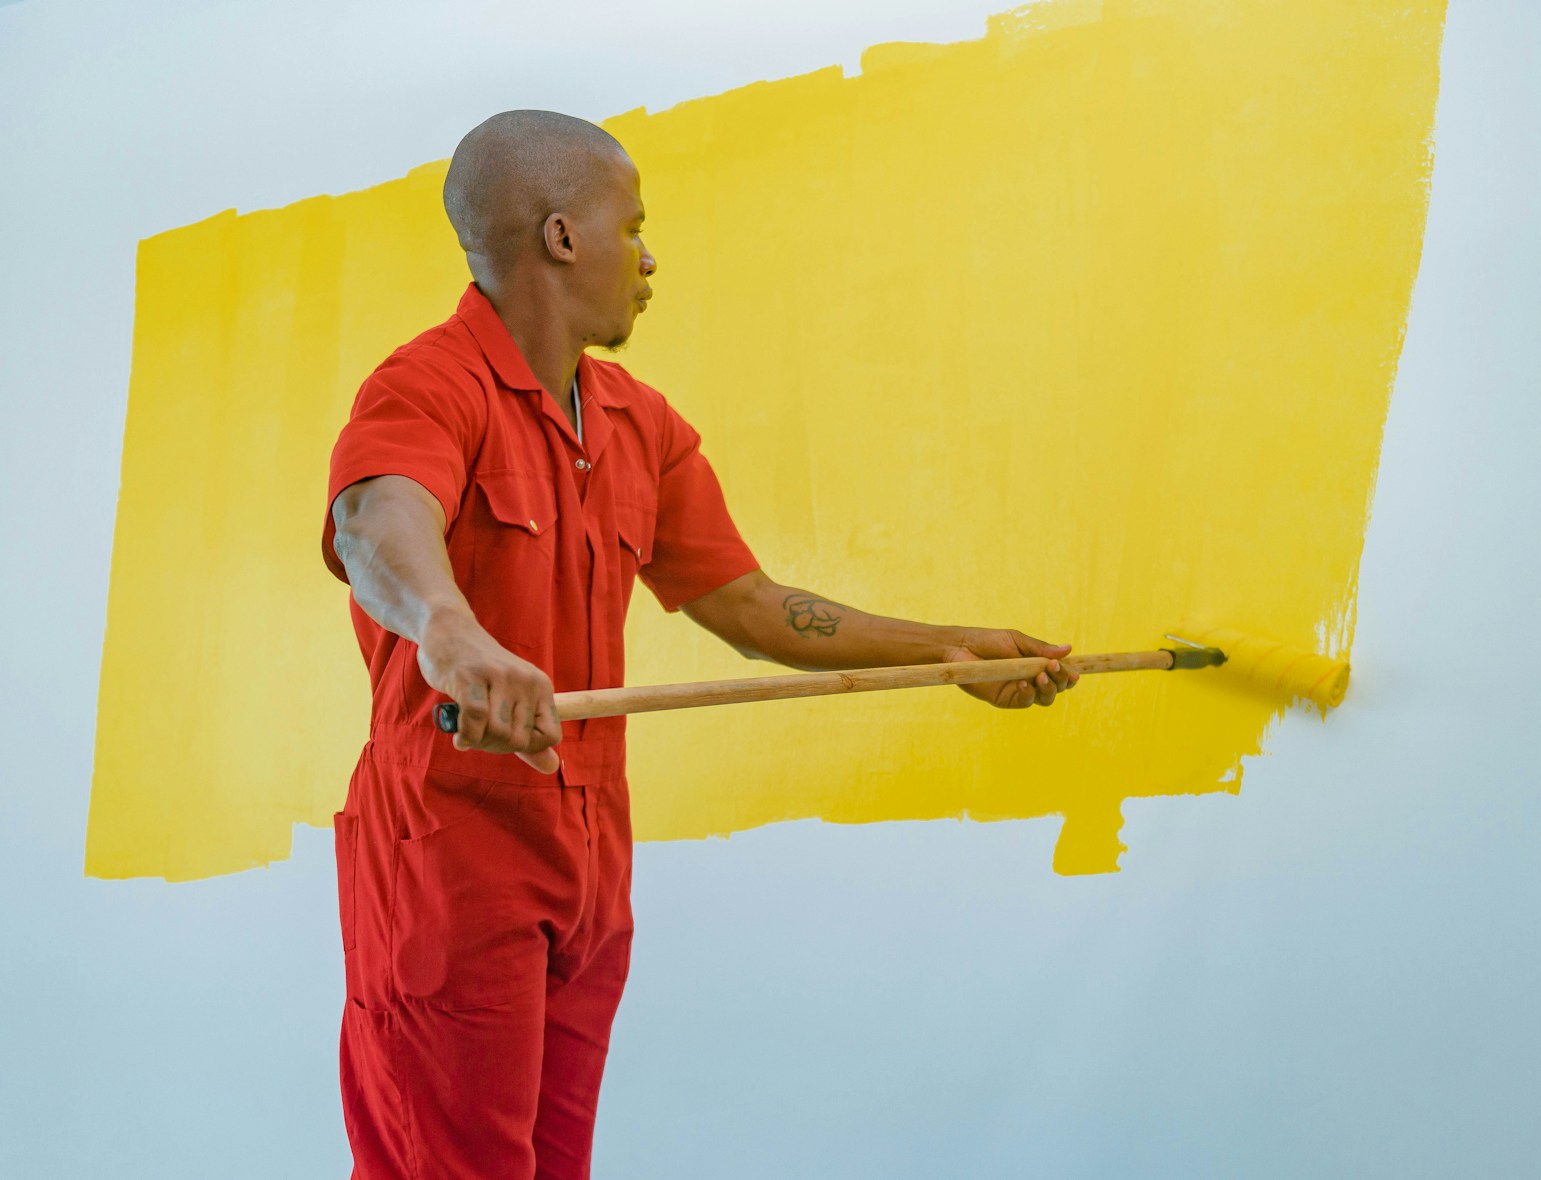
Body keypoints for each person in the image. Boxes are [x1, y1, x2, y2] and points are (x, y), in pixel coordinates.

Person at [321, 109, 1079, 1179]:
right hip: (449, 854)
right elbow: (372, 522)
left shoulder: (640, 424)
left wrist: (947, 649)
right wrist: (451, 632)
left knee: (553, 1164)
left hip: (589, 856)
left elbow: (754, 605)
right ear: (561, 237)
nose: (649, 255)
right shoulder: (427, 386)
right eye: (632, 226)